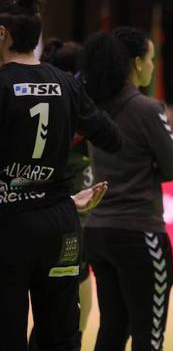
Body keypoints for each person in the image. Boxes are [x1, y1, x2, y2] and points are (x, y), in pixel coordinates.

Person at [0, 0, 122, 351]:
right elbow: (111, 138)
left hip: (9, 226)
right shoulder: (66, 83)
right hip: (61, 223)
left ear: (2, 33)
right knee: (61, 336)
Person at [82, 27, 173, 351]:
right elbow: (172, 168)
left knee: (111, 330)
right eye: (151, 58)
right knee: (148, 336)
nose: (153, 65)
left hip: (97, 231)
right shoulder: (147, 109)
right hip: (139, 232)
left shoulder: (94, 107)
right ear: (138, 63)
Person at [28, 38, 97, 350]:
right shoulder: (73, 114)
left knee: (56, 319)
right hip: (61, 225)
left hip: (46, 223)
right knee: (64, 321)